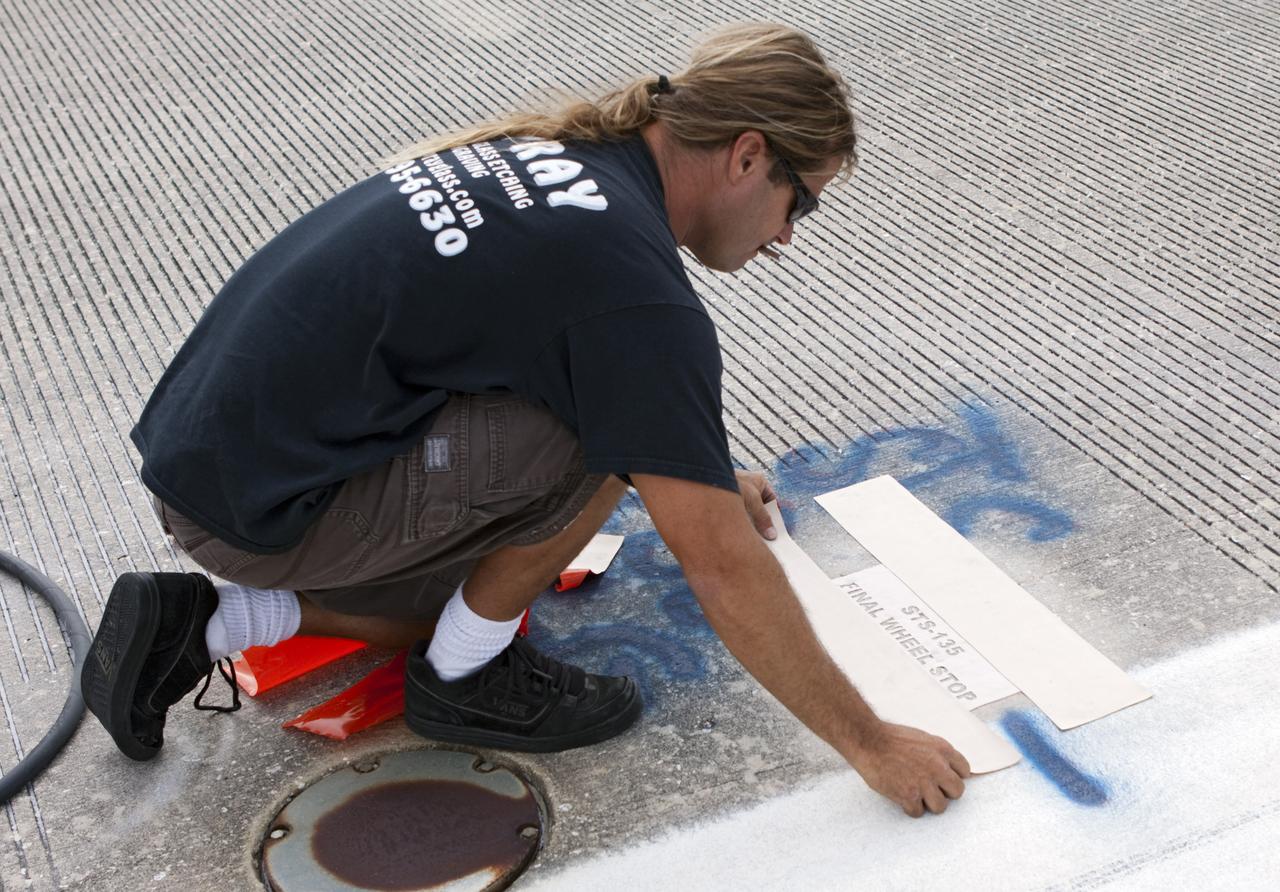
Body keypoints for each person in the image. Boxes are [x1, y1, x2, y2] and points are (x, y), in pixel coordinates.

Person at [80, 22, 969, 817]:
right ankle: (466, 679)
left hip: (226, 469)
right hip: (271, 508)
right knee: (605, 435)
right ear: (745, 156)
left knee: (506, 559)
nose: (786, 238)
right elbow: (722, 567)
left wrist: (696, 468)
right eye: (799, 204)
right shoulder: (631, 297)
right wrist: (872, 742)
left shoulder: (567, 159)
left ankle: (203, 626)